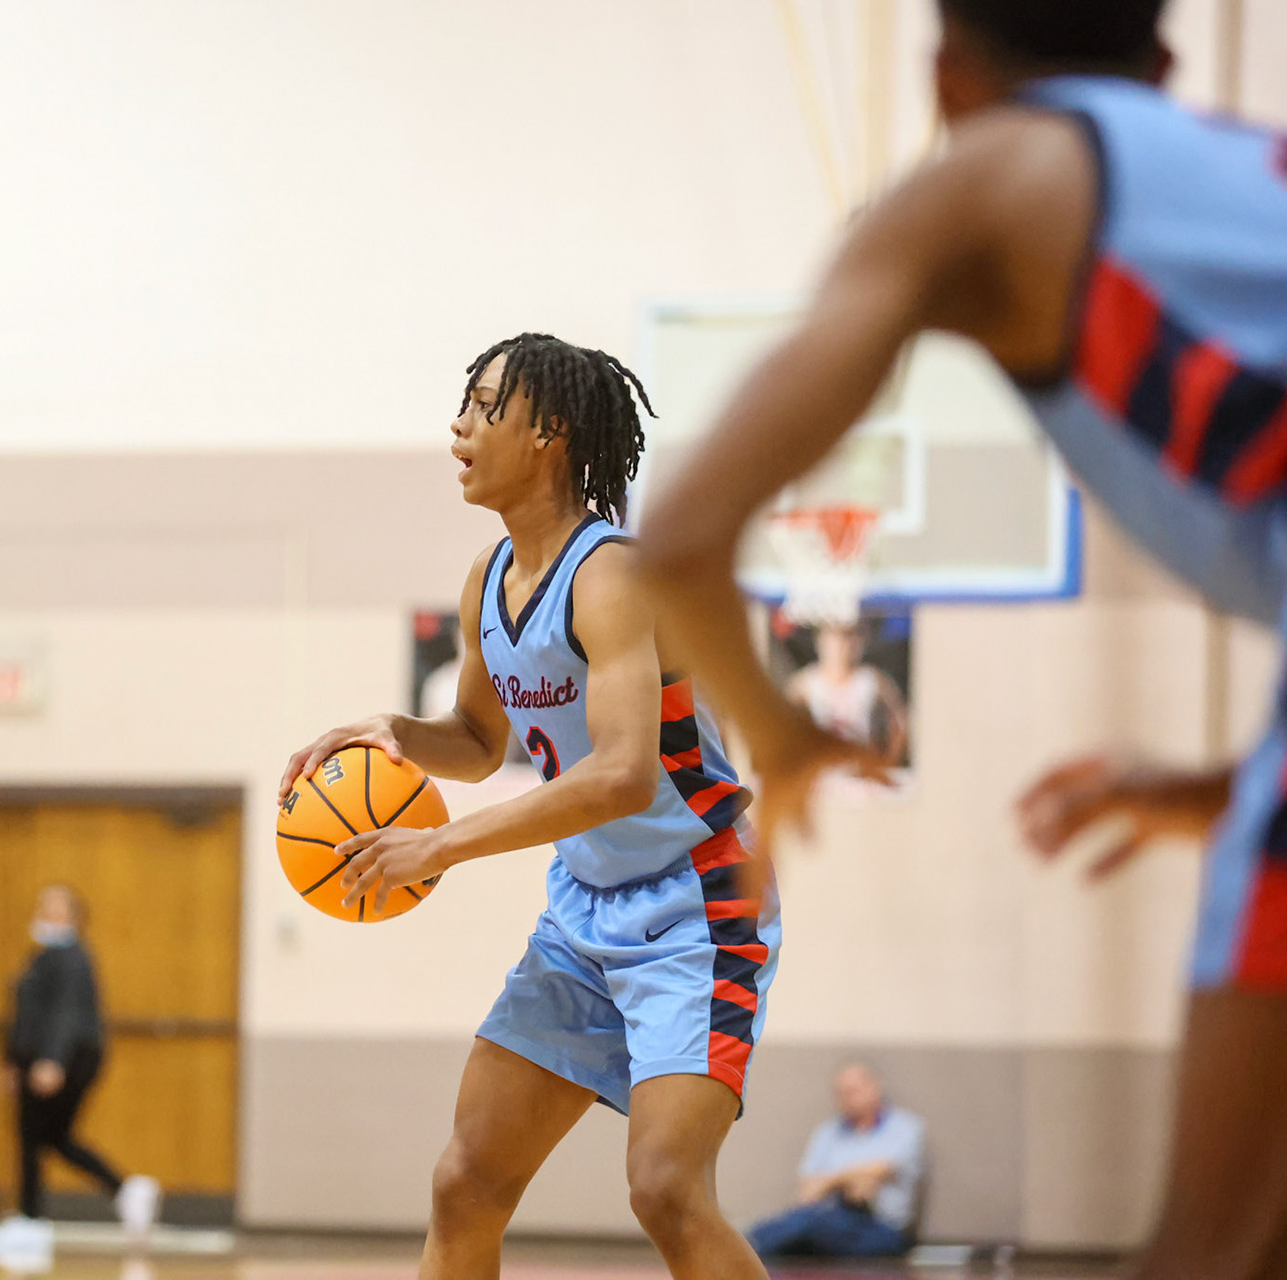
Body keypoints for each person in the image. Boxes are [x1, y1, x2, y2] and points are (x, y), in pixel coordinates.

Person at [630, 2, 1287, 1276]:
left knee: (1213, 1251)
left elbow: (682, 534)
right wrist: (1229, 785)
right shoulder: (1236, 167)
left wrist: (782, 737)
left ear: (946, 77)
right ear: (1163, 65)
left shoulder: (983, 177)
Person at [280, 334, 780, 1280]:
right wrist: (392, 730)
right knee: (465, 1183)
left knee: (667, 1189)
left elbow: (624, 774)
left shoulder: (611, 576)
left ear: (548, 430)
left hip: (697, 904)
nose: (458, 428)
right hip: (583, 914)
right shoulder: (489, 577)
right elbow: (479, 742)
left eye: (483, 407)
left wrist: (438, 847)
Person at [0, 884, 157, 1247]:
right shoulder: (42, 958)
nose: (43, 912)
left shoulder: (72, 959)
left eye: (53, 907)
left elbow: (64, 1014)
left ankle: (31, 1220)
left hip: (62, 1059)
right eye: (42, 905)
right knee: (52, 1137)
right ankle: (124, 1189)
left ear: (73, 916)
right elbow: (26, 1014)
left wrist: (53, 1058)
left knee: (34, 1136)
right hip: (38, 1059)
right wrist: (10, 1061)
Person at [745, 1062, 923, 1260]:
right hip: (829, 1219)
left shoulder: (904, 1127)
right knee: (793, 1225)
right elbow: (807, 1191)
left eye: (853, 1091)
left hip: (882, 1228)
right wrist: (854, 1180)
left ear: (875, 1087)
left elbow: (883, 1168)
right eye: (840, 1093)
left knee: (807, 1226)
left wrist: (831, 1181)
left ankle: (745, 1250)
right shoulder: (827, 1133)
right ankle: (745, 1245)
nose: (846, 1099)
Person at [783, 622, 909, 765]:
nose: (841, 646)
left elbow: (901, 720)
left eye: (848, 637)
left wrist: (888, 761)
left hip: (859, 764)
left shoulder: (871, 679)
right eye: (834, 638)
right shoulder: (805, 682)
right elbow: (782, 723)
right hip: (822, 766)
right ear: (820, 641)